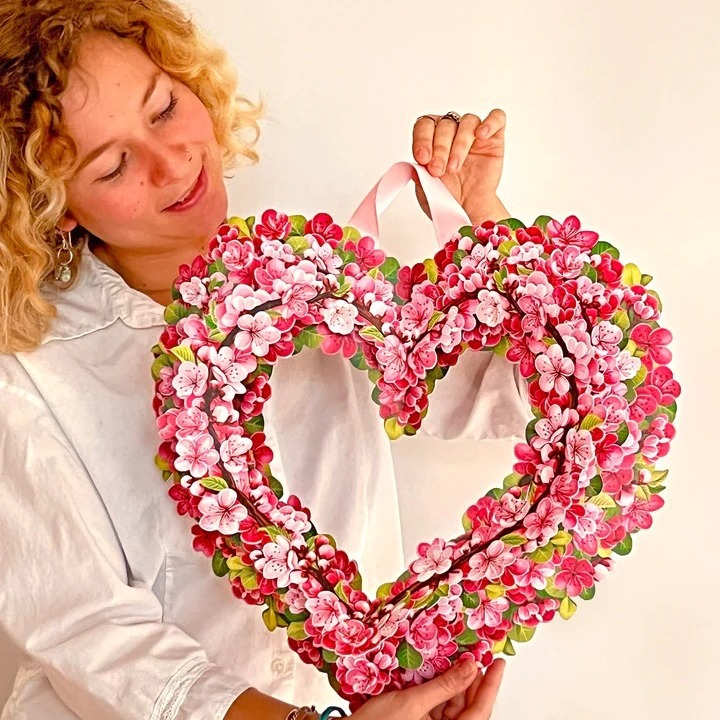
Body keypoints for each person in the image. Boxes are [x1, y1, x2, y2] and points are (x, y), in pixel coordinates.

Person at [0, 1, 531, 718]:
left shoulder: (326, 282)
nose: (172, 162)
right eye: (116, 165)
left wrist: (484, 219)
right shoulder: (29, 369)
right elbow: (86, 631)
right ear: (55, 204)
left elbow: (511, 395)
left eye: (164, 109)